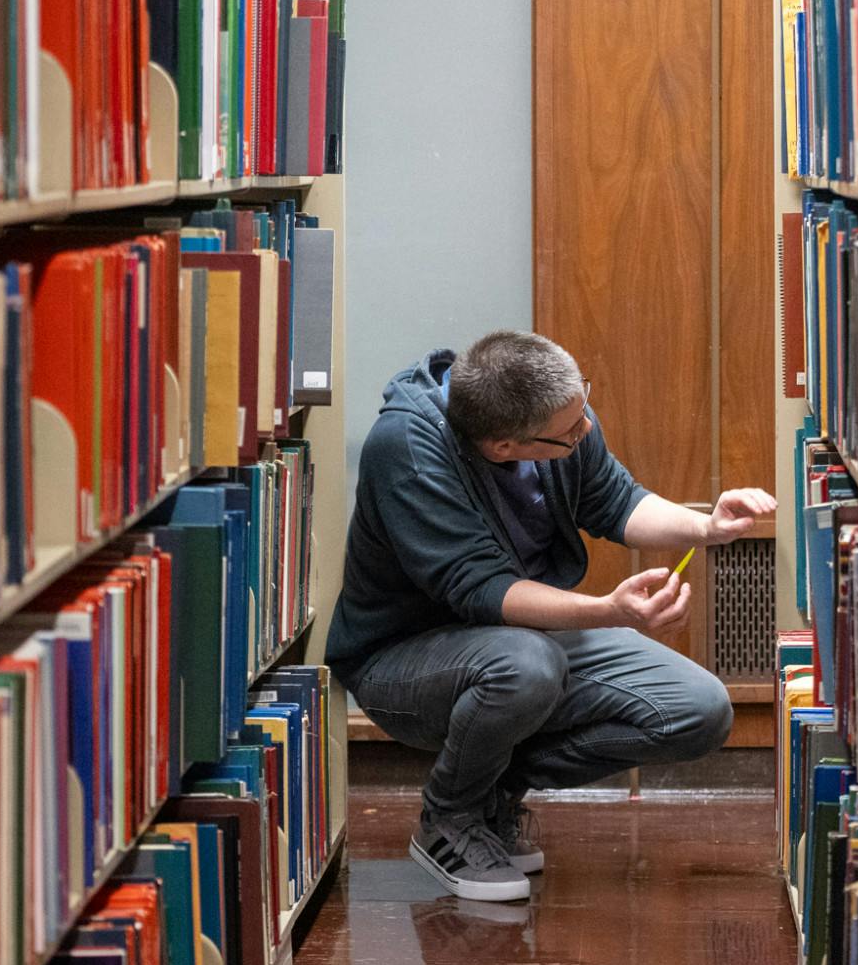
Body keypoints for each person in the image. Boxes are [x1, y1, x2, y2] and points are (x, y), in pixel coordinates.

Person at [325, 331, 777, 901]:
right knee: (527, 664)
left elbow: (616, 500)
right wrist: (611, 611)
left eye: (583, 407)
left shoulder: (559, 414)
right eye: (570, 432)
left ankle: (491, 789)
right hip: (402, 662)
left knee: (699, 710)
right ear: (503, 446)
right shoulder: (407, 449)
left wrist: (707, 527)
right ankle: (449, 818)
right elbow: (483, 591)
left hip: (517, 643)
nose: (585, 428)